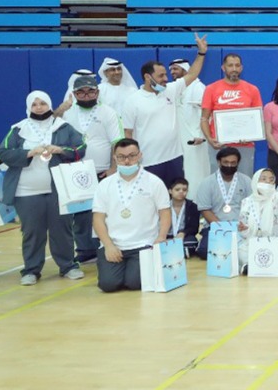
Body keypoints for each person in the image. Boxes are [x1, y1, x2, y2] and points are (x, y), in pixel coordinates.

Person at [0, 91, 87, 285]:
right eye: (35, 104)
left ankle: (68, 266)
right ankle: (31, 270)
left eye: (43, 103)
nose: (39, 107)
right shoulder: (18, 129)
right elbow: (3, 153)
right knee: (32, 231)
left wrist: (61, 150)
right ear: (29, 107)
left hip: (60, 190)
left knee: (62, 229)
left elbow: (81, 148)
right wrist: (29, 153)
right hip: (26, 191)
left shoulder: (63, 127)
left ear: (49, 104)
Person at [54, 72, 123, 263]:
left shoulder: (108, 112)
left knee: (104, 211)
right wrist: (60, 110)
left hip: (102, 170)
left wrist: (113, 168)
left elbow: (117, 142)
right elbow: (47, 126)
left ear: (97, 92)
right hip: (74, 170)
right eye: (81, 92)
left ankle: (107, 246)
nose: (86, 96)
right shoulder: (67, 112)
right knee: (79, 214)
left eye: (90, 92)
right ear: (74, 94)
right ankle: (85, 249)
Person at [121, 35, 208, 181]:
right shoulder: (132, 101)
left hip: (175, 158)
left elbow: (192, 74)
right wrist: (130, 159)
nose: (166, 79)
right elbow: (127, 133)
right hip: (148, 162)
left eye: (166, 75)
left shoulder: (170, 90)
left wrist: (201, 53)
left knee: (177, 193)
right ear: (147, 77)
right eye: (161, 76)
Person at [91, 138, 171, 293]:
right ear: (115, 158)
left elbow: (165, 212)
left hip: (144, 245)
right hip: (114, 245)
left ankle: (130, 272)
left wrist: (161, 237)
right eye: (121, 157)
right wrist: (108, 245)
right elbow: (98, 218)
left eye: (132, 156)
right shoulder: (104, 185)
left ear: (140, 155)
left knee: (134, 283)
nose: (127, 161)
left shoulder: (154, 182)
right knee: (108, 285)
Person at [200, 53, 262, 177]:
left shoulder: (252, 90)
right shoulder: (211, 89)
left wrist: (250, 136)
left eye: (237, 65)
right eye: (230, 65)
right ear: (223, 68)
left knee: (244, 181)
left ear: (241, 68)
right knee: (218, 181)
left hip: (245, 145)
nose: (234, 69)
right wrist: (210, 139)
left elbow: (257, 119)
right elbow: (204, 119)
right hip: (219, 145)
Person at [237, 167, 278, 272]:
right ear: (255, 181)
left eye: (271, 179)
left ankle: (257, 266)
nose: (268, 181)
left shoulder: (276, 198)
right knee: (241, 251)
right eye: (264, 179)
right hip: (253, 244)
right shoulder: (246, 202)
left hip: (274, 244)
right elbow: (244, 231)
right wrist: (244, 229)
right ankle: (276, 264)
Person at [196, 148, 253, 245]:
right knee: (205, 250)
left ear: (238, 163)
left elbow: (252, 206)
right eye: (226, 162)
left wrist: (244, 225)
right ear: (219, 162)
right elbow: (205, 209)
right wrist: (222, 228)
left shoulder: (246, 181)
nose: (229, 165)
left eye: (233, 163)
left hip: (241, 227)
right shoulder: (207, 183)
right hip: (214, 226)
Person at [168, 58, 207, 197]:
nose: (172, 72)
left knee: (196, 173)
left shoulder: (198, 87)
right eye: (171, 69)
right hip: (180, 140)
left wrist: (200, 135)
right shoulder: (175, 89)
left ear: (185, 69)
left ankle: (197, 203)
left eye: (175, 69)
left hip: (195, 140)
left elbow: (204, 114)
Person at [165, 177, 200, 250]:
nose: (181, 192)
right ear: (170, 191)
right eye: (177, 190)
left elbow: (194, 228)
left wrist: (183, 233)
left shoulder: (193, 206)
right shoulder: (163, 206)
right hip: (166, 236)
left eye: (184, 190)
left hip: (184, 237)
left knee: (192, 242)